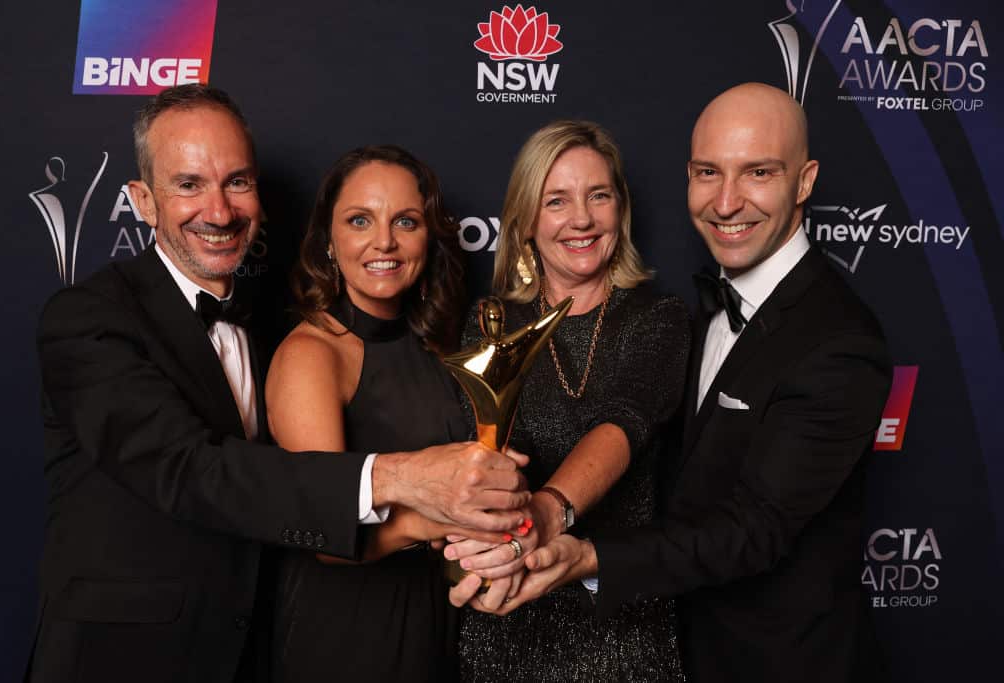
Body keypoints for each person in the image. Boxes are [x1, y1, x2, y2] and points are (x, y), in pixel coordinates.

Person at [28, 84, 529, 683]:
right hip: (125, 658)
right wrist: (410, 482)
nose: (219, 211)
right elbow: (191, 469)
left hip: (248, 649)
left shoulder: (264, 321)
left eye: (237, 182)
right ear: (142, 201)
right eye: (189, 184)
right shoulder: (88, 317)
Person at [455, 83, 893, 683]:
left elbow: (753, 528)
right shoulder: (711, 308)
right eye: (709, 172)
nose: (727, 202)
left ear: (804, 181)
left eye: (758, 172)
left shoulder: (838, 340)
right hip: (667, 634)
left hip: (770, 657)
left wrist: (575, 543)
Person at [447, 120, 691, 681]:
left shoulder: (658, 317)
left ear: (620, 210)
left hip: (623, 632)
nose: (581, 219)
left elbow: (623, 425)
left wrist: (547, 512)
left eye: (598, 196)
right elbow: (480, 457)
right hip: (506, 623)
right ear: (526, 221)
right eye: (556, 200)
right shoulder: (491, 323)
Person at [266, 145, 487, 681]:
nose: (384, 241)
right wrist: (435, 518)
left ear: (428, 237)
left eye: (405, 221)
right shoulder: (311, 354)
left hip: (434, 616)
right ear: (329, 240)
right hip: (348, 627)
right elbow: (324, 534)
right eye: (360, 220)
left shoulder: (438, 343)